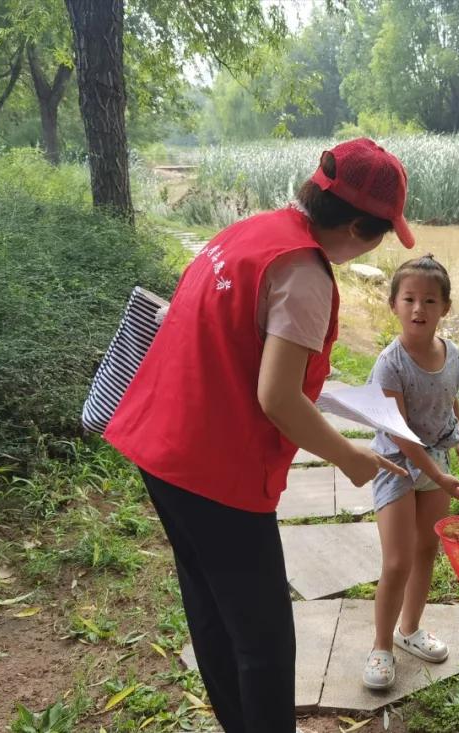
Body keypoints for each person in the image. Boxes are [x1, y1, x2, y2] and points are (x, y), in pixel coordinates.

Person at [103, 138, 412, 733]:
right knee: (266, 640)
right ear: (354, 226)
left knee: (213, 609)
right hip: (212, 469)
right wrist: (348, 457)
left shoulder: (252, 232)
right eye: (379, 234)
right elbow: (275, 398)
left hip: (159, 442)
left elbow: (240, 348)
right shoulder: (305, 275)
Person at [362, 254, 459, 690]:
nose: (418, 309)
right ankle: (381, 646)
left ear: (445, 307)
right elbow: (402, 434)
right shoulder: (390, 363)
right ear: (393, 304)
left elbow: (451, 396)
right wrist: (439, 474)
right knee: (397, 560)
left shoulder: (451, 353)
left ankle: (409, 630)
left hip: (438, 464)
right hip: (398, 465)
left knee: (427, 549)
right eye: (408, 299)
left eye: (430, 300)